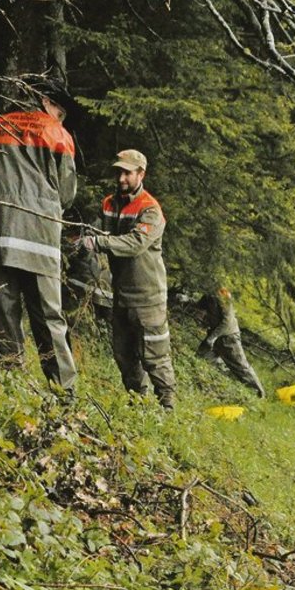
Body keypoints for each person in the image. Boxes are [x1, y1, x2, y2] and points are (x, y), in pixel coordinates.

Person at [0, 79, 79, 391]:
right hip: (39, 238)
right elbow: (67, 194)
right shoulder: (58, 134)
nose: (61, 118)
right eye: (61, 112)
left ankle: (10, 386)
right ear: (46, 102)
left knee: (3, 316)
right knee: (48, 320)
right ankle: (63, 392)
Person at [78, 150, 175, 408]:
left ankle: (168, 409)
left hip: (148, 297)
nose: (121, 178)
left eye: (127, 173)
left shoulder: (150, 210)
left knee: (155, 357)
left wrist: (98, 242)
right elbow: (96, 229)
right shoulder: (108, 203)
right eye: (118, 172)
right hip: (120, 296)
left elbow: (135, 243)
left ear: (140, 174)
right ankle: (138, 406)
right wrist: (83, 238)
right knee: (124, 355)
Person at [197, 288, 265, 398]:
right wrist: (186, 299)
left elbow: (227, 321)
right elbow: (199, 306)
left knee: (241, 366)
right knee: (203, 355)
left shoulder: (223, 293)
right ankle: (227, 382)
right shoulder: (208, 292)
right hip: (215, 335)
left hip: (229, 337)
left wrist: (213, 338)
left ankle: (259, 394)